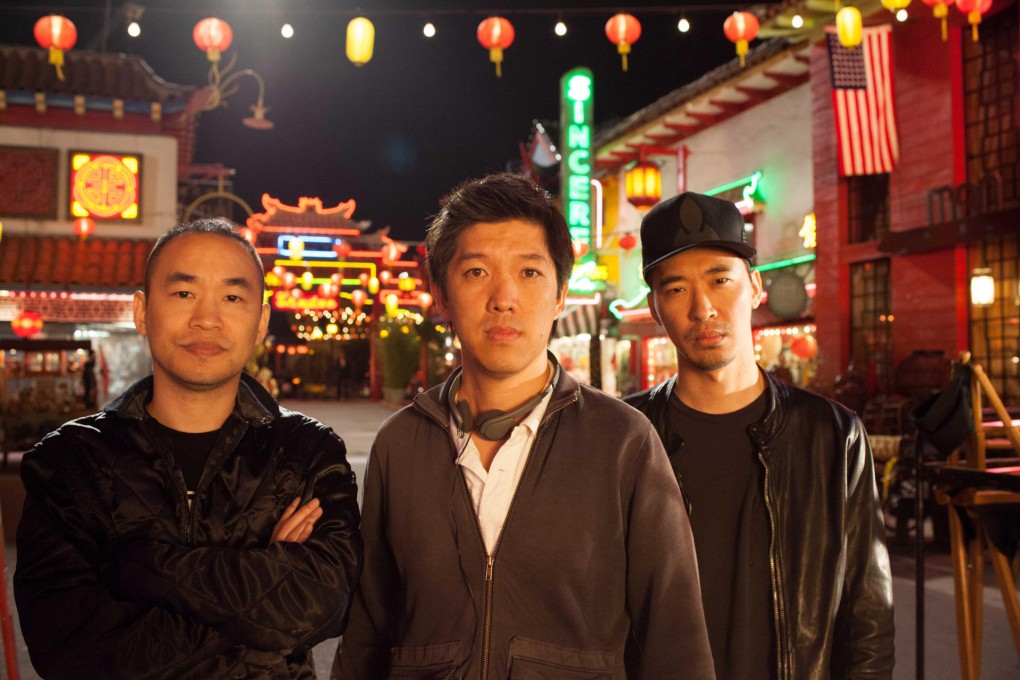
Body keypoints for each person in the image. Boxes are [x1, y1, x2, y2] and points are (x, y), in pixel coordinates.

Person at [334, 173, 714, 679]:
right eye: (475, 272)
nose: (504, 297)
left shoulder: (622, 441)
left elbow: (677, 643)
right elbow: (368, 633)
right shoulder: (401, 445)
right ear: (440, 296)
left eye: (530, 273)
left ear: (561, 295)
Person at [15, 219, 363, 679]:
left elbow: (325, 603)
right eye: (183, 293)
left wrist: (139, 566)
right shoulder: (69, 462)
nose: (207, 318)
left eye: (233, 297)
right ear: (141, 311)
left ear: (260, 321)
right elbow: (66, 647)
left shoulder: (307, 453)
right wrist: (260, 618)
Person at [624, 192, 894, 680]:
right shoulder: (624, 436)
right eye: (677, 289)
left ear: (754, 285)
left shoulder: (833, 436)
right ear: (655, 307)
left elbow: (867, 618)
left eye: (720, 280)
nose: (703, 308)